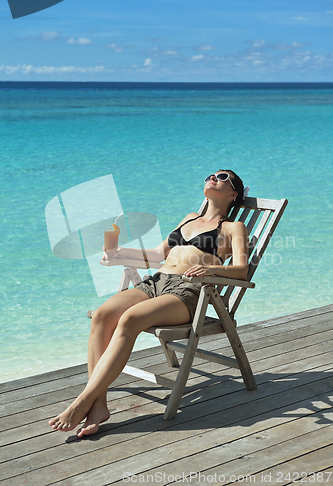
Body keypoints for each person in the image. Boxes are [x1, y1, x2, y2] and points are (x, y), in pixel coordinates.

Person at [48, 169, 249, 437]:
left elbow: (242, 270)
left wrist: (212, 271)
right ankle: (99, 405)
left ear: (233, 193)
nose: (213, 177)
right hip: (156, 282)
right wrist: (119, 254)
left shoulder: (233, 227)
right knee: (102, 315)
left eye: (222, 176)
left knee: (130, 319)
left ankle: (81, 402)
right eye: (210, 174)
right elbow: (156, 255)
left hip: (187, 291)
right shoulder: (189, 218)